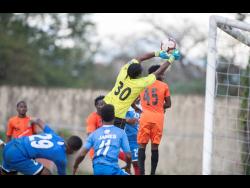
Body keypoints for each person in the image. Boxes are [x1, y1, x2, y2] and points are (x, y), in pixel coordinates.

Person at [103, 49, 180, 130]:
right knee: (116, 139)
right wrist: (171, 58)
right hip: (117, 115)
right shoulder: (140, 83)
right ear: (139, 74)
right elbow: (158, 72)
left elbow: (140, 58)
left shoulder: (123, 72)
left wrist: (158, 53)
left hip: (106, 107)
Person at [0, 118, 82, 175]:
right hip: (18, 154)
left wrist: (33, 120)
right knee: (46, 173)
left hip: (11, 145)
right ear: (72, 150)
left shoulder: (55, 136)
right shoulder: (61, 157)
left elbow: (38, 120)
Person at [73, 104, 132, 175]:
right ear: (114, 117)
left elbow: (82, 154)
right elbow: (128, 155)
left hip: (97, 169)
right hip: (112, 169)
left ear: (101, 118)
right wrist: (128, 167)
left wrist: (75, 166)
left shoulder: (94, 134)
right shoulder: (121, 133)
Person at [137, 65, 171, 175]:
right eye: (163, 72)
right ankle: (152, 173)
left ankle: (141, 172)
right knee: (155, 146)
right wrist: (160, 107)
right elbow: (169, 104)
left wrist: (137, 108)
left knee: (142, 145)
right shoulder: (164, 86)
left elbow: (134, 100)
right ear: (158, 73)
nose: (164, 75)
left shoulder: (143, 84)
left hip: (145, 117)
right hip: (158, 118)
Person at [86, 95, 105, 159]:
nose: (104, 106)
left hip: (108, 150)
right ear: (96, 106)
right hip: (96, 151)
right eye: (101, 104)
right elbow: (90, 135)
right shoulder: (92, 117)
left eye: (105, 104)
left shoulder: (110, 116)